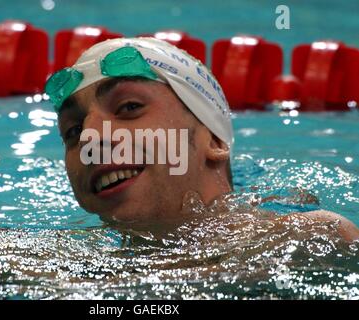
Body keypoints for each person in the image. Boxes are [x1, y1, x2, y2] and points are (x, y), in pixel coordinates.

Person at [45, 37, 359, 241]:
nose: (90, 139)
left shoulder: (311, 240)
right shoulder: (58, 259)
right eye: (72, 131)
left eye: (129, 107)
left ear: (215, 141)